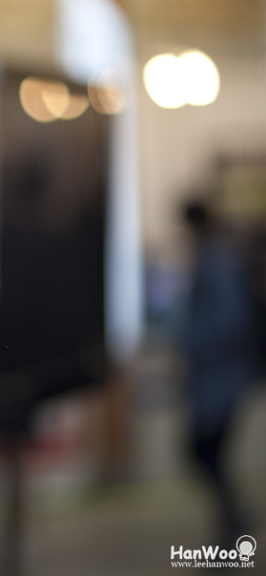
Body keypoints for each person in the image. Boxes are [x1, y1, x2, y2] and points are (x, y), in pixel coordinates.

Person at [178, 197, 263, 544]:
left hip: (223, 377)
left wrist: (190, 341)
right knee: (207, 453)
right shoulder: (216, 257)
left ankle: (233, 526)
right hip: (221, 376)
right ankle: (231, 524)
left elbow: (228, 319)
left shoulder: (216, 261)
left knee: (204, 451)